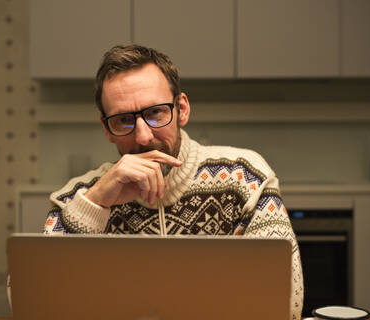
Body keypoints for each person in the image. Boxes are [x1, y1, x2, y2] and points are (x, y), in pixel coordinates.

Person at [42, 44, 304, 319]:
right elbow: (35, 304)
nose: (143, 137)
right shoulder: (78, 196)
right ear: (107, 129)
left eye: (155, 112)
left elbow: (287, 302)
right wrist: (94, 205)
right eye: (123, 120)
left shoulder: (245, 178)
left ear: (181, 109)